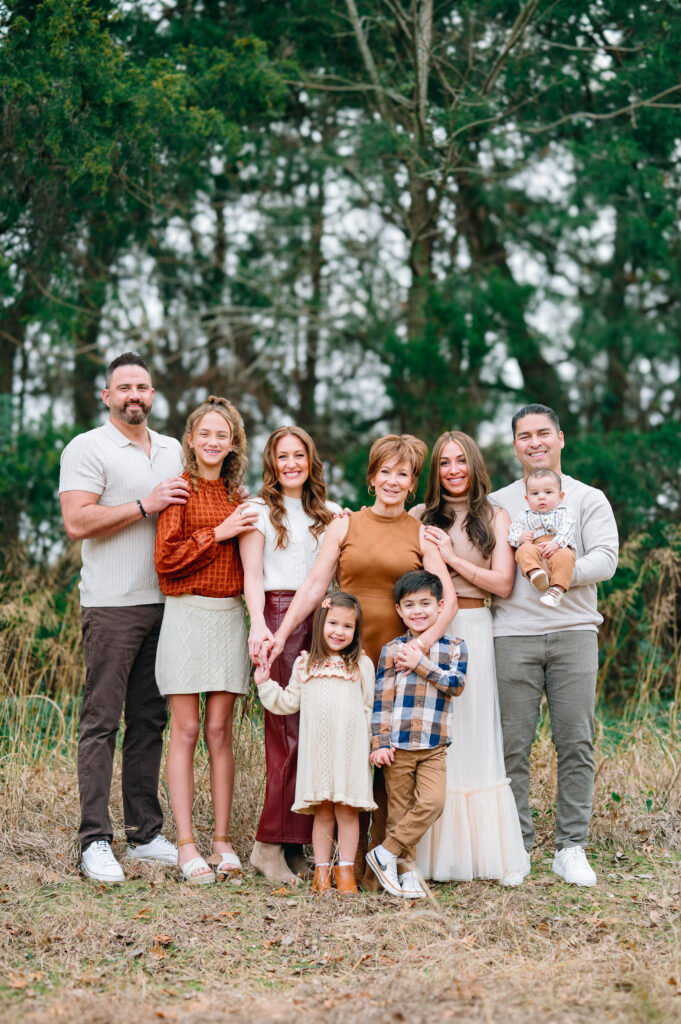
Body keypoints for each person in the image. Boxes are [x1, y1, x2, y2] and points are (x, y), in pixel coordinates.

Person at [263, 434, 457, 887]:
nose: (393, 480)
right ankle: (330, 862)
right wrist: (281, 634)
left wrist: (421, 645)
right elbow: (314, 585)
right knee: (342, 757)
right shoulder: (344, 525)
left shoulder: (420, 534)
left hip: (398, 667)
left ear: (412, 485)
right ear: (372, 477)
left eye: (403, 474)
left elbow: (445, 601)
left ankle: (383, 861)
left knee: (393, 764)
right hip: (342, 661)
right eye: (385, 471)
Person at [59, 352, 190, 883]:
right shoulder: (87, 447)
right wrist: (144, 505)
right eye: (124, 387)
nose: (134, 395)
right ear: (107, 395)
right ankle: (95, 839)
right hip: (112, 606)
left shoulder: (173, 449)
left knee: (150, 720)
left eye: (142, 387)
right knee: (101, 722)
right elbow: (76, 520)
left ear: (153, 395)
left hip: (167, 603)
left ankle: (145, 834)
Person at [491, 403, 618, 887]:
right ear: (516, 444)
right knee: (512, 746)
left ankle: (571, 847)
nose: (535, 442)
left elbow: (606, 558)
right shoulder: (501, 502)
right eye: (525, 436)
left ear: (561, 438)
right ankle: (517, 845)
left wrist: (559, 572)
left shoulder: (588, 498)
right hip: (512, 636)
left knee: (576, 742)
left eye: (544, 433)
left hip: (575, 633)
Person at [411, 431, 529, 886]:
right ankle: (434, 853)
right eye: (444, 463)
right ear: (436, 472)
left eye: (461, 461)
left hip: (476, 629)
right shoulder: (421, 515)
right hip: (431, 631)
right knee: (439, 735)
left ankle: (487, 853)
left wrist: (452, 560)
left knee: (477, 733)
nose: (454, 470)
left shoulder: (496, 516)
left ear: (474, 465)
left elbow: (502, 583)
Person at [154, 396, 258, 884]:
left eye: (224, 435)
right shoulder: (178, 491)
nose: (214, 442)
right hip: (186, 614)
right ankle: (186, 844)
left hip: (227, 617)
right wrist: (219, 533)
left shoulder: (243, 499)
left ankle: (222, 841)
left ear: (233, 443)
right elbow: (166, 561)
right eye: (206, 434)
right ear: (190, 440)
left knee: (220, 732)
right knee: (187, 729)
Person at [239, 426, 342, 884]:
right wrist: (261, 625)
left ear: (310, 459)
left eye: (299, 455)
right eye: (283, 457)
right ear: (272, 463)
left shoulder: (332, 513)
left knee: (314, 732)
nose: (292, 463)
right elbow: (253, 575)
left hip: (322, 623)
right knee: (286, 733)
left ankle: (295, 842)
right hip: (279, 614)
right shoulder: (259, 510)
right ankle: (266, 846)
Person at [254, 592, 375, 895]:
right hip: (318, 756)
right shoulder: (304, 665)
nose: (339, 631)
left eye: (348, 626)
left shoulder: (361, 665)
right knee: (322, 811)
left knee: (347, 811)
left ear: (356, 631)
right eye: (333, 623)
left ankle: (345, 872)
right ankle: (322, 874)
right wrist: (265, 683)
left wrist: (370, 748)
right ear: (321, 623)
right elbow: (287, 703)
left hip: (349, 754)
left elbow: (367, 709)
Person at [367, 570, 467, 899]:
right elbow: (381, 700)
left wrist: (420, 663)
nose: (418, 611)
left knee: (432, 803)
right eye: (409, 605)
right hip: (399, 745)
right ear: (399, 610)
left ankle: (384, 852)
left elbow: (456, 685)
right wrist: (379, 742)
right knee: (398, 810)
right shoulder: (391, 650)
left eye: (425, 603)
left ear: (441, 606)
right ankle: (407, 873)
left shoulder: (455, 647)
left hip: (434, 745)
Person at [507, 468, 577, 608]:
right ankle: (536, 573)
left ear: (560, 496)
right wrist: (521, 538)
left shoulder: (565, 512)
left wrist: (556, 543)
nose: (541, 497)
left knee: (564, 558)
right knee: (523, 551)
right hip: (535, 546)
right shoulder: (524, 515)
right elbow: (512, 534)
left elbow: (567, 529)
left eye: (548, 492)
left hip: (559, 546)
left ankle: (557, 589)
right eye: (535, 493)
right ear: (527, 498)